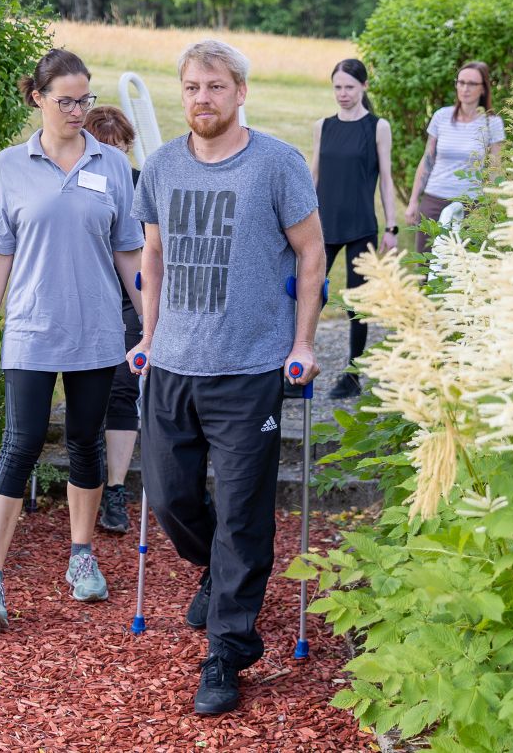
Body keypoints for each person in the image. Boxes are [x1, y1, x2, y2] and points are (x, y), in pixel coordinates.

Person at [127, 39, 325, 715]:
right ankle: (215, 569)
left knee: (242, 515)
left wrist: (303, 341)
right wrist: (148, 336)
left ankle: (228, 650)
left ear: (241, 91)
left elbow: (311, 253)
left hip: (250, 369)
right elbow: (152, 258)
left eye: (214, 86)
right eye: (190, 87)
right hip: (174, 363)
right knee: (170, 494)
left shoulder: (276, 164)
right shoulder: (157, 167)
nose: (201, 99)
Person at [0, 49, 144, 631]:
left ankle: (82, 555)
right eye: (66, 99)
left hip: (97, 331)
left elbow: (128, 252)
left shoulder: (111, 165)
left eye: (84, 98)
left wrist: (152, 326)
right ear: (37, 97)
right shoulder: (8, 166)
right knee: (19, 446)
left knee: (87, 445)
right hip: (31, 330)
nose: (77, 109)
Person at [309, 58, 396, 400]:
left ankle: (354, 373)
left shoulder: (377, 127)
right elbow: (313, 175)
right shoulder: (323, 126)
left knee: (356, 303)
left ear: (363, 87)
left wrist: (391, 227)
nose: (342, 94)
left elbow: (387, 181)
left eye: (349, 87)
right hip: (322, 226)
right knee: (308, 294)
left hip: (361, 226)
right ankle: (294, 365)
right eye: (337, 87)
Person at [82, 105, 142, 534]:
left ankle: (115, 491)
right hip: (84, 298)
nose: (113, 156)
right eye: (105, 147)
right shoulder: (76, 183)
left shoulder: (141, 185)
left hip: (127, 299)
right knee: (88, 391)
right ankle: (88, 477)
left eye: (119, 147)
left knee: (122, 389)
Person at [403, 60, 505, 254]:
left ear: (483, 89)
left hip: (471, 205)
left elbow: (495, 168)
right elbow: (427, 161)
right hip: (434, 200)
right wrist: (413, 201)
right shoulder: (442, 116)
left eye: (472, 84)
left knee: (464, 267)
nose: (465, 88)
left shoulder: (492, 123)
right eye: (461, 82)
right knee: (427, 264)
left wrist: (492, 207)